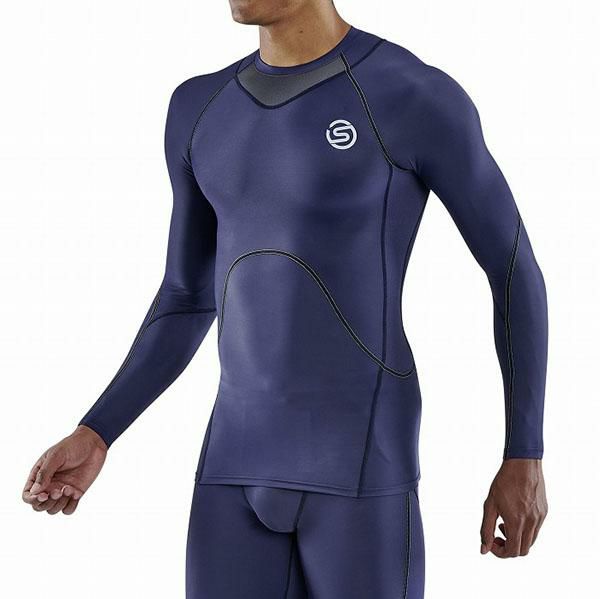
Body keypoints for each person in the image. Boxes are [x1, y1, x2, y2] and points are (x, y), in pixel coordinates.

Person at [22, 1, 548, 597]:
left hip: (360, 468)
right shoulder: (198, 107)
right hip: (232, 470)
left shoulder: (409, 94)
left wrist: (523, 453)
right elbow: (187, 295)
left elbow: (512, 270)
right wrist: (97, 431)